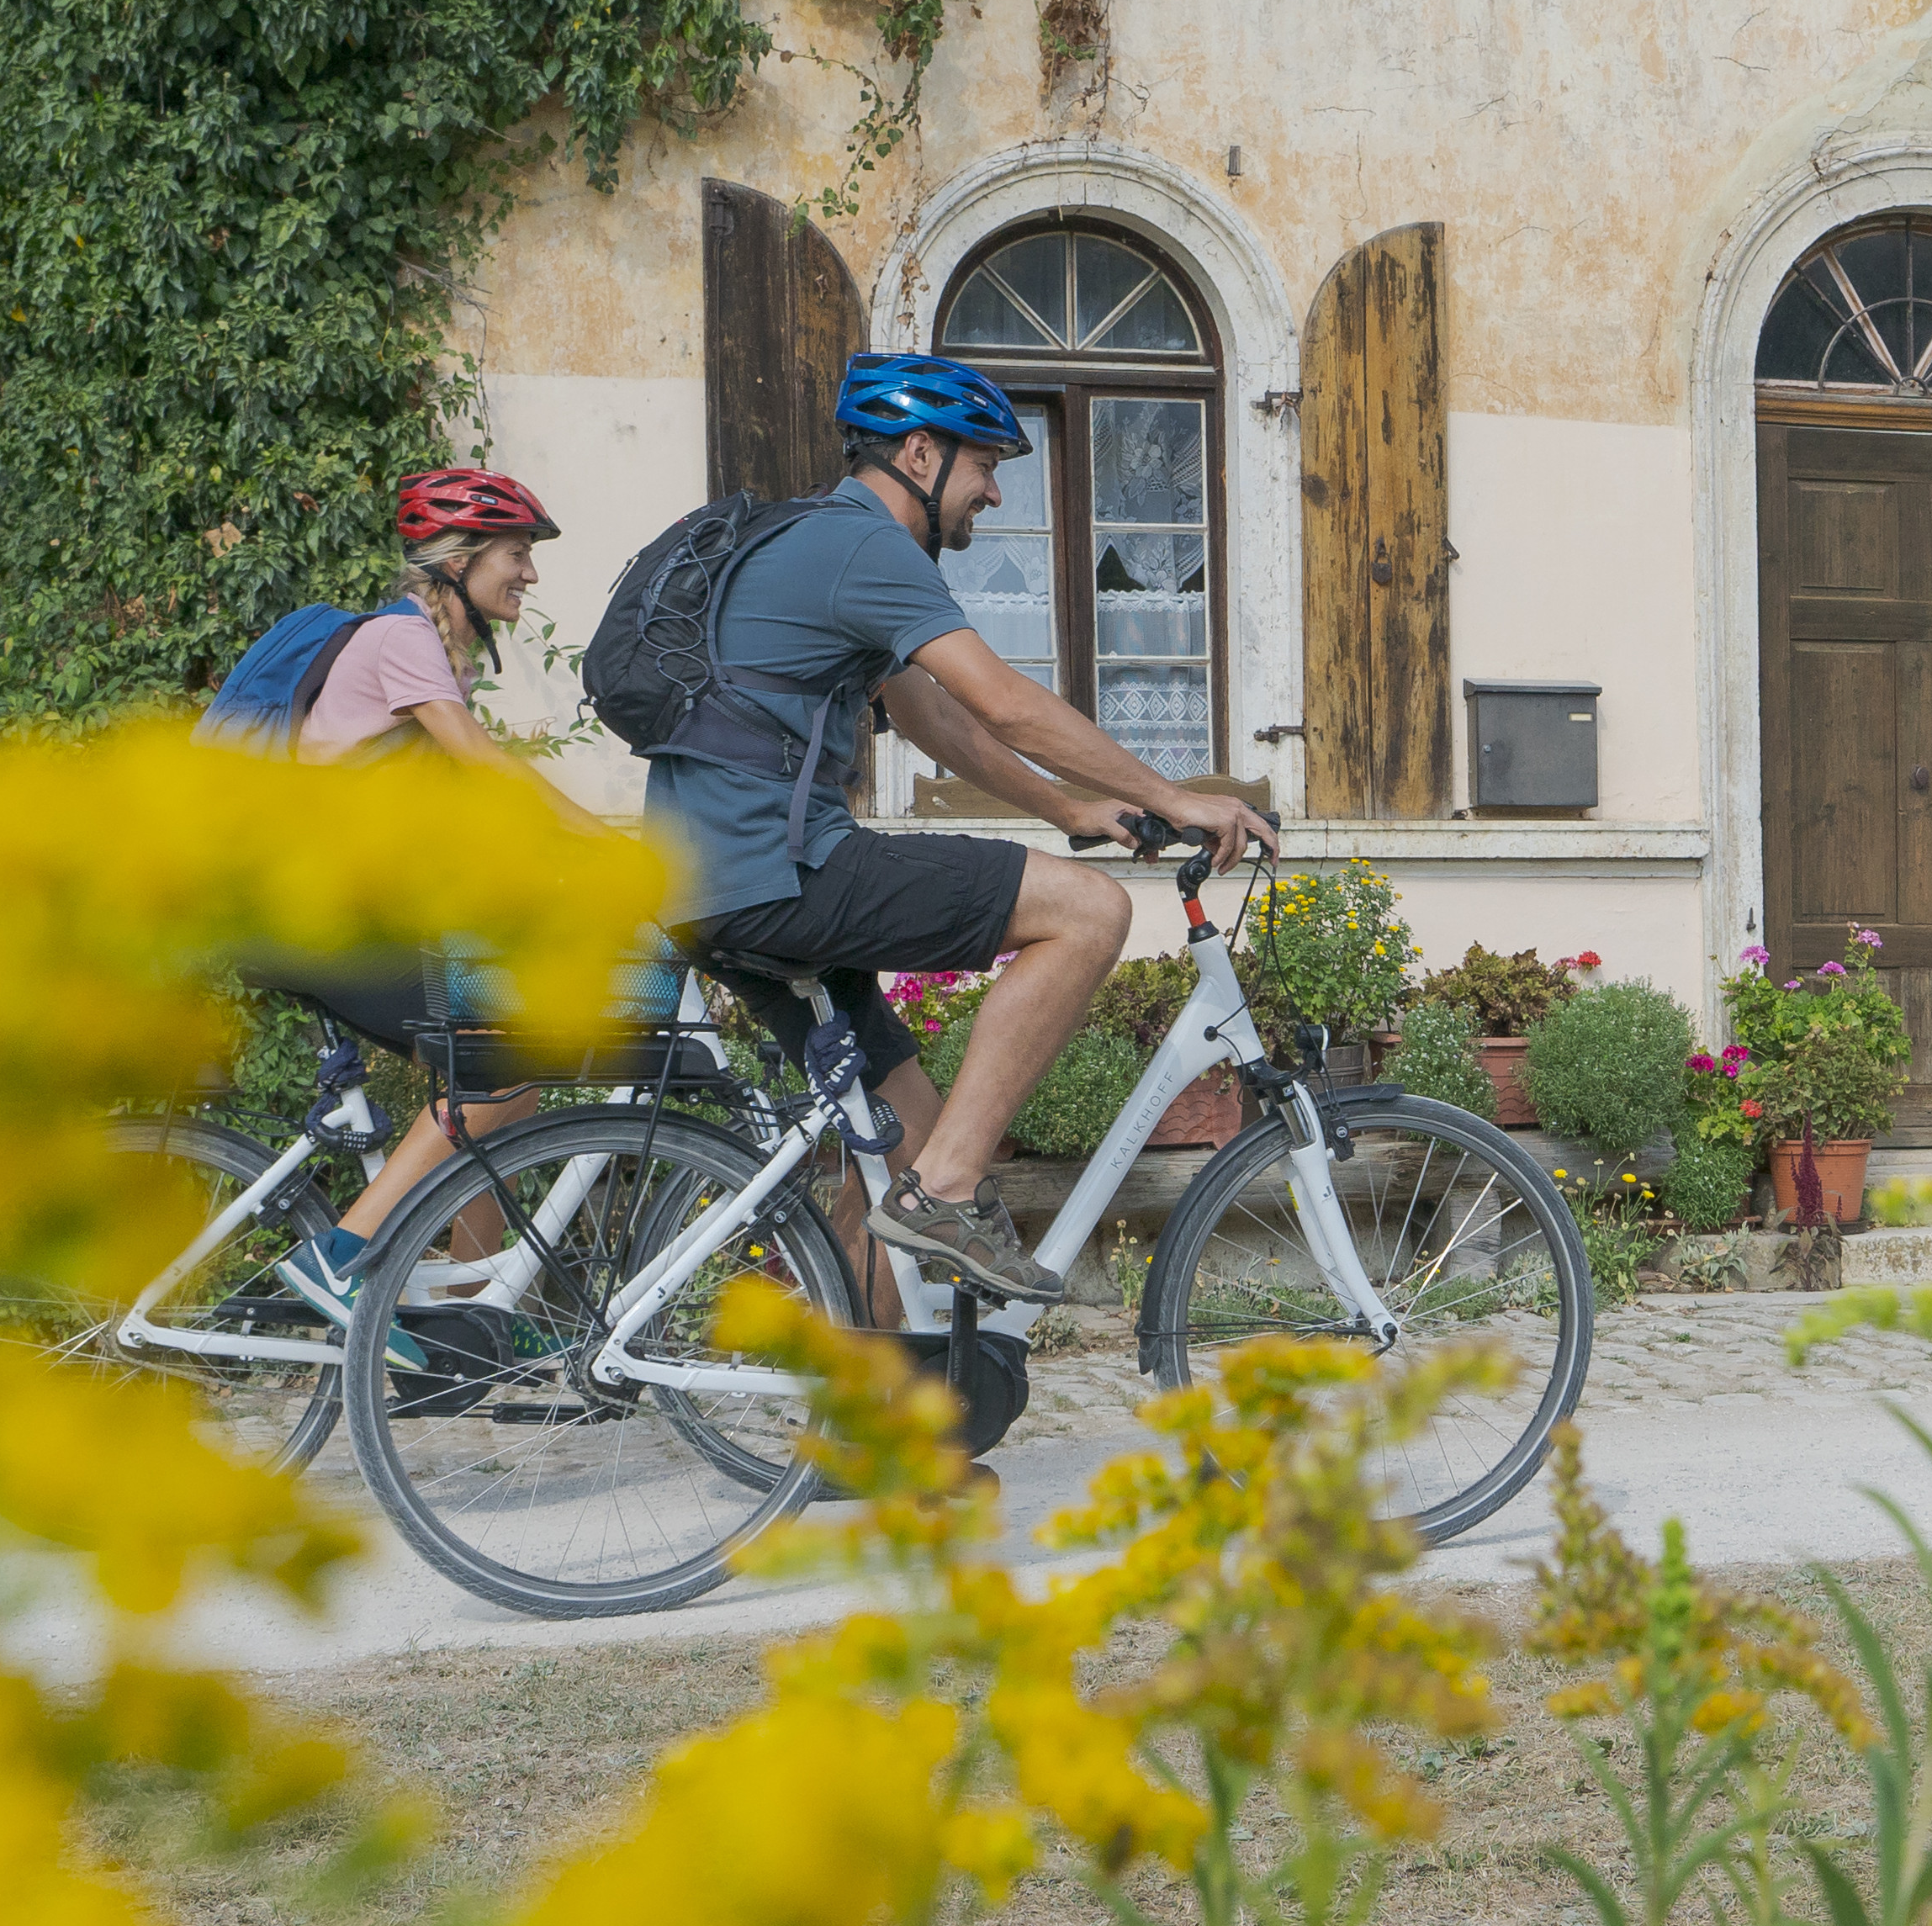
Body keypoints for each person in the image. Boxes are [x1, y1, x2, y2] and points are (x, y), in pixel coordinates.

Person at [648, 352, 1278, 1308]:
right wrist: (1177, 795)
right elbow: (1004, 701)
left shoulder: (817, 544)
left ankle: (864, 1431)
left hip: (715, 883)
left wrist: (1068, 808)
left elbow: (938, 718)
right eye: (985, 466)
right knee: (1087, 911)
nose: (991, 492)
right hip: (778, 871)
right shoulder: (867, 548)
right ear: (918, 451)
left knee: (897, 1146)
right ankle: (946, 1194)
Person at [261, 466, 590, 1336]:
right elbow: (481, 760)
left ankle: (468, 1305)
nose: (528, 572)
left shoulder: (425, 655)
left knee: (499, 1076)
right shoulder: (402, 638)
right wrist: (606, 844)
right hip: (312, 914)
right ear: (459, 561)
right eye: (516, 553)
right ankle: (340, 1257)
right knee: (502, 1058)